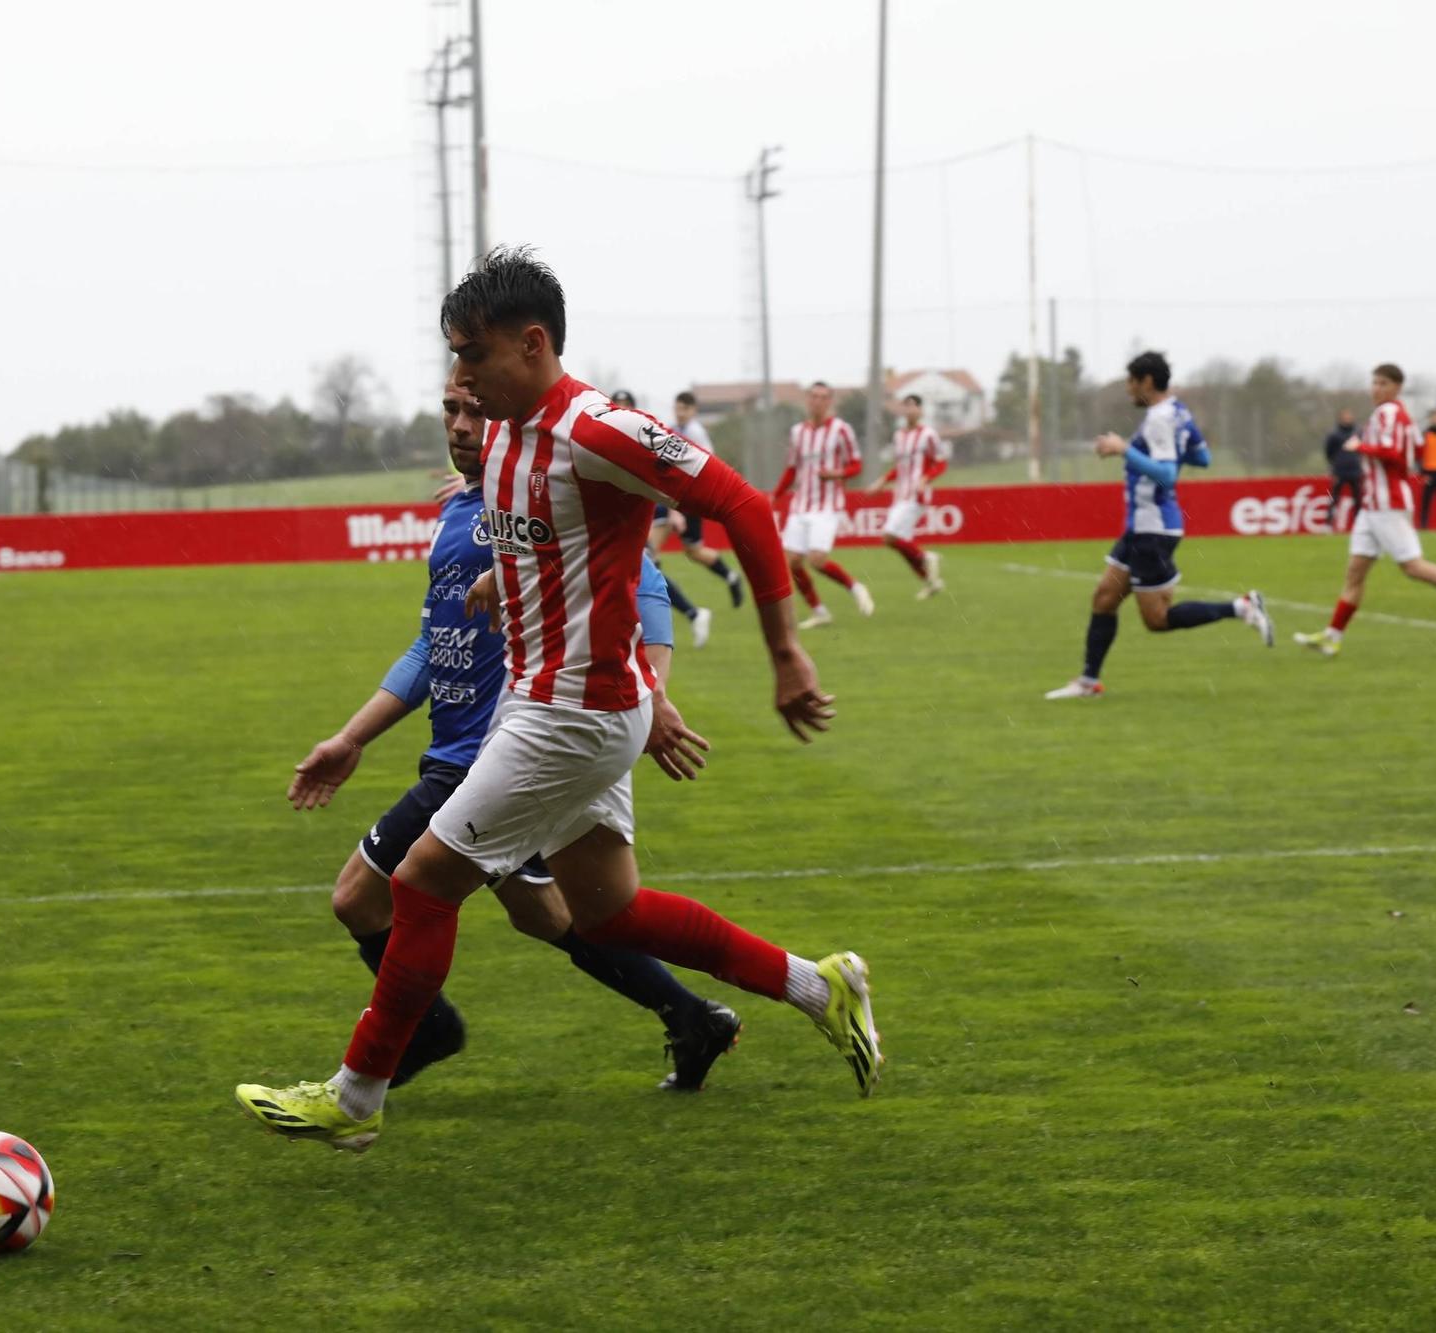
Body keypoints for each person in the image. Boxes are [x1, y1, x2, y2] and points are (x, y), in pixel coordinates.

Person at [235, 249, 877, 1153]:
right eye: (451, 356)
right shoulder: (499, 439)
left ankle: (355, 1097)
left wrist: (786, 654)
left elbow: (744, 507)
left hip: (572, 712)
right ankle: (820, 985)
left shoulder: (600, 428)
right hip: (547, 707)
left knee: (419, 881)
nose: (459, 379)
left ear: (532, 344)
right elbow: (543, 532)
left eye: (473, 355)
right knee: (607, 914)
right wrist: (511, 576)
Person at [293, 373, 744, 1095]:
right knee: (550, 913)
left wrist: (653, 692)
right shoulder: (464, 508)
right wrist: (352, 737)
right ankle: (693, 1015)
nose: (463, 424)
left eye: (477, 409)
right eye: (450, 408)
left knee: (359, 897)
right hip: (472, 746)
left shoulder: (542, 495)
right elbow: (431, 646)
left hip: (499, 748)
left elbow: (647, 581)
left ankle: (409, 1042)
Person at [1045, 351, 1274, 700]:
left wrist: (1124, 449)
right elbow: (1202, 456)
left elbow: (1167, 475)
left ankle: (1241, 607)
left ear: (1147, 382)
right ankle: (1089, 681)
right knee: (1104, 598)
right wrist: (1158, 452)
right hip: (1141, 527)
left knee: (1157, 619)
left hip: (1153, 529)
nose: (1127, 390)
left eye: (1131, 382)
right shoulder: (1179, 411)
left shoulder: (1158, 418)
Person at [1295, 364, 1436, 657]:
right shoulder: (1405, 416)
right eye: (1374, 383)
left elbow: (1391, 452)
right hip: (1373, 504)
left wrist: (1361, 447)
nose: (1375, 389)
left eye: (1382, 383)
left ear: (1396, 387)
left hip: (1386, 502)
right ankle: (1332, 636)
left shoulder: (1387, 413)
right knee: (1355, 573)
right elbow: (1416, 451)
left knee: (1413, 567)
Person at [616, 388, 713, 648]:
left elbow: (669, 476)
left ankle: (684, 619)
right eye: (618, 404)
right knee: (645, 569)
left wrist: (674, 509)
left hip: (646, 516)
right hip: (626, 521)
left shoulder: (642, 438)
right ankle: (691, 615)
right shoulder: (606, 441)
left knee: (645, 570)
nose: (622, 408)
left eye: (626, 404)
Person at [773, 381, 874, 628]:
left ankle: (855, 587)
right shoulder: (798, 432)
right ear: (807, 400)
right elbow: (792, 469)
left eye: (822, 397)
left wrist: (836, 473)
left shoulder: (841, 430)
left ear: (830, 401)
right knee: (792, 563)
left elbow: (856, 465)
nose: (817, 401)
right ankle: (819, 611)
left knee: (817, 560)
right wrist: (774, 496)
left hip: (827, 505)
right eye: (813, 397)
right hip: (801, 505)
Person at [647, 390, 746, 616]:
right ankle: (729, 578)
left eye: (684, 409)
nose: (679, 413)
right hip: (673, 500)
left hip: (684, 501)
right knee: (688, 551)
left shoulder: (696, 432)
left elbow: (705, 466)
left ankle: (682, 608)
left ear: (693, 411)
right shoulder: (673, 428)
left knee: (655, 552)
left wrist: (678, 509)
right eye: (677, 408)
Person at [868, 393, 949, 599]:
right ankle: (930, 582)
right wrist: (882, 481)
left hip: (916, 496)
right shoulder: (899, 436)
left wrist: (925, 479)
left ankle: (926, 557)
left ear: (920, 411)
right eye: (906, 406)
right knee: (900, 544)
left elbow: (940, 463)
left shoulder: (928, 435)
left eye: (914, 406)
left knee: (889, 538)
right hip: (900, 496)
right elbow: (901, 468)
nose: (910, 410)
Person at [1324, 409, 1363, 532]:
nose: (1347, 418)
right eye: (1345, 416)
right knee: (1334, 497)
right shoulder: (1334, 434)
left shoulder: (1357, 432)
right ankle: (1328, 524)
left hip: (1355, 470)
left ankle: (1359, 525)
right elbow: (1328, 452)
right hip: (1339, 471)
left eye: (1349, 416)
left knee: (1358, 499)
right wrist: (1335, 464)